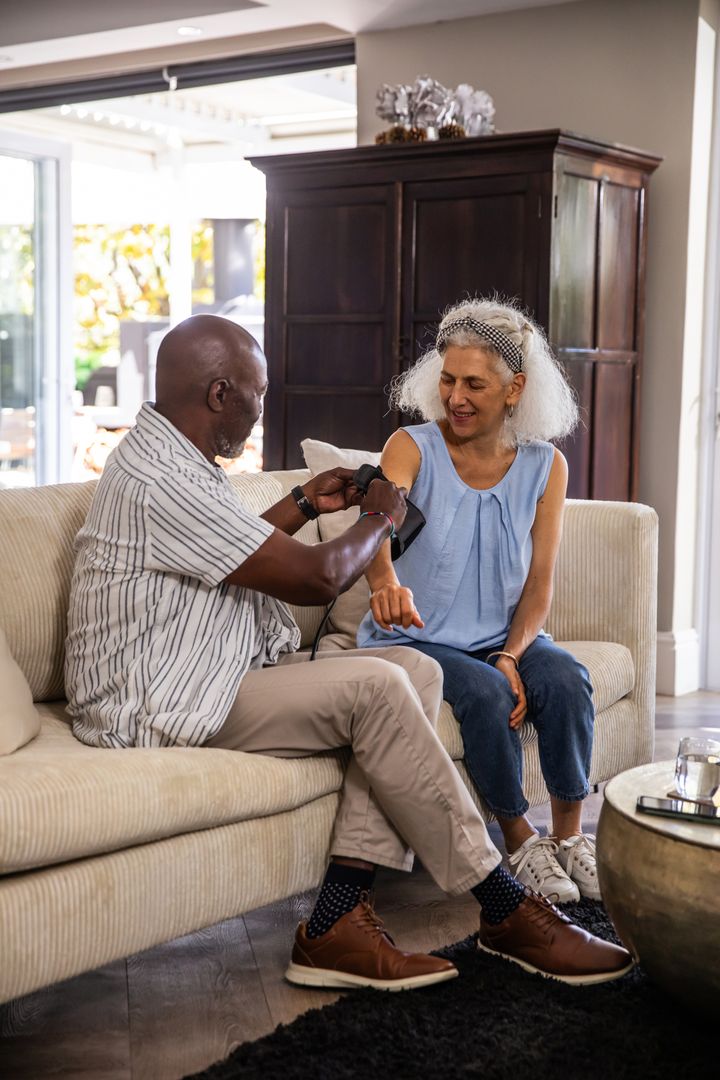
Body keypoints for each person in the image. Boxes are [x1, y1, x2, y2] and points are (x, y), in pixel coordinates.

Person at [65, 313, 630, 992]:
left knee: (412, 668)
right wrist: (382, 516)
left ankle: (337, 919)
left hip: (204, 676)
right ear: (220, 394)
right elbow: (317, 579)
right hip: (158, 699)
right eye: (258, 393)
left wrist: (303, 503)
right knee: (379, 688)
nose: (260, 407)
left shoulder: (173, 458)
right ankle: (505, 906)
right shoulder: (162, 478)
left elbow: (231, 547)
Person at [358, 297, 600, 903]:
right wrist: (384, 581)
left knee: (567, 677)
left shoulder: (547, 466)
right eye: (447, 379)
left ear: (515, 388)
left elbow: (540, 582)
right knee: (488, 692)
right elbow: (375, 518)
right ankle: (521, 844)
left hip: (500, 635)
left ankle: (569, 840)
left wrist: (514, 654)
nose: (455, 397)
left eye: (475, 384)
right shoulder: (411, 445)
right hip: (419, 637)